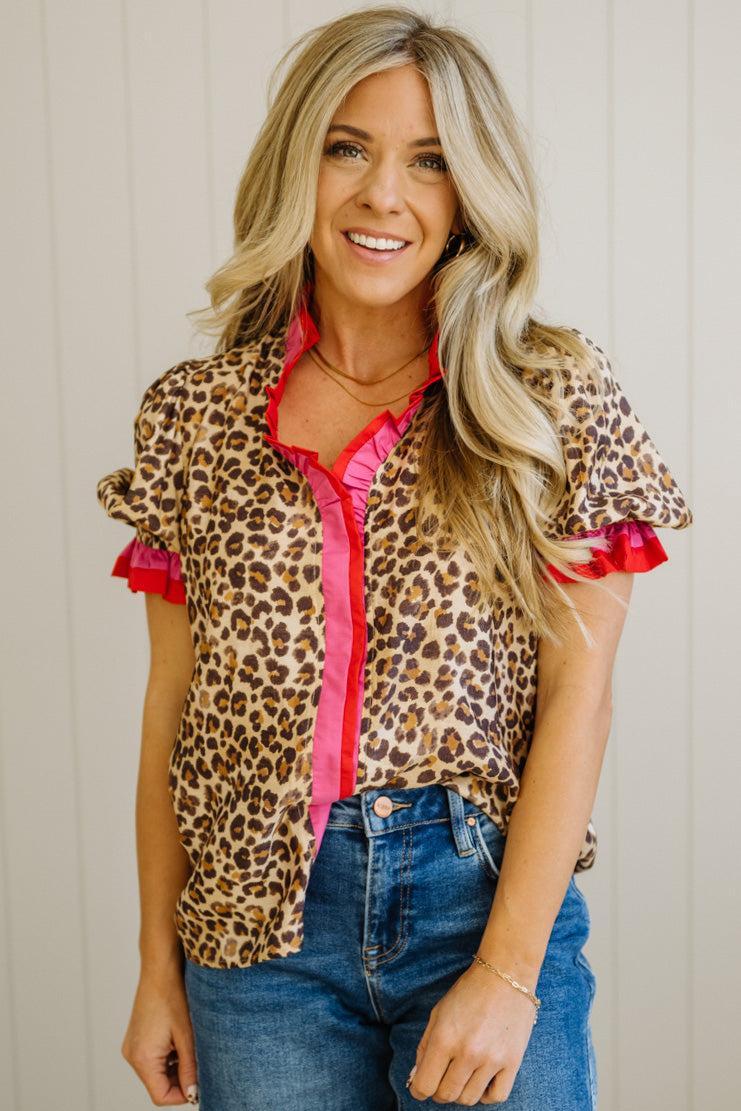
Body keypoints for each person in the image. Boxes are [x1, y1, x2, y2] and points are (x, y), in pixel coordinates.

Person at [96, 7, 693, 1109]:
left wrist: (510, 973)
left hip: (481, 902)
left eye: (430, 161)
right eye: (348, 147)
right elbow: (171, 716)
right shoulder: (195, 417)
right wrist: (154, 971)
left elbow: (581, 696)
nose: (384, 195)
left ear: (470, 193)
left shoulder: (542, 397)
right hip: (250, 937)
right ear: (297, 164)